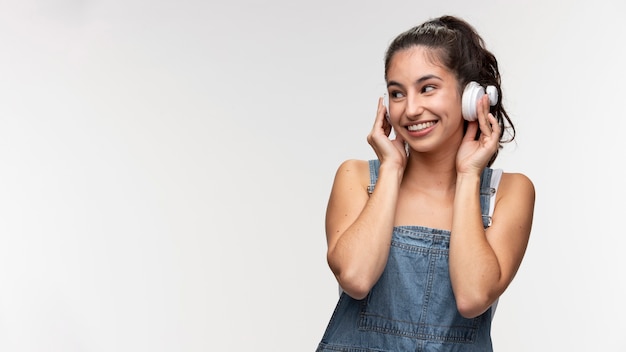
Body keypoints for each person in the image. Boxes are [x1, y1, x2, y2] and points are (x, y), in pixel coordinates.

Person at [316, 15, 535, 352]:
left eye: (427, 88)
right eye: (397, 93)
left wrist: (467, 175)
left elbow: (473, 297)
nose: (411, 109)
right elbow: (356, 279)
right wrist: (391, 169)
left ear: (471, 97)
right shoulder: (358, 178)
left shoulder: (509, 192)